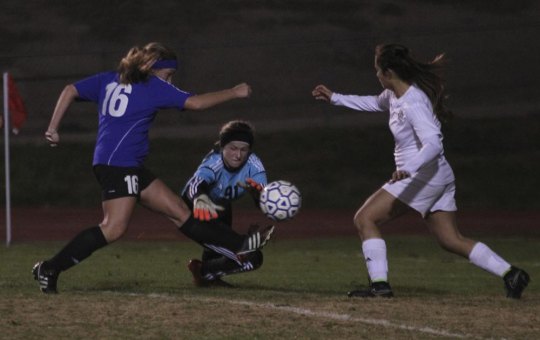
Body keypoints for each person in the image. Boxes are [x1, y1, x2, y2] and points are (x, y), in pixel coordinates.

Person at [32, 42, 274, 294]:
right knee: (113, 228)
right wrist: (234, 92)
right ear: (151, 68)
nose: (169, 82)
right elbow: (196, 103)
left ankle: (240, 244)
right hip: (119, 165)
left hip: (123, 164)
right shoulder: (152, 85)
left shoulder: (109, 79)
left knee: (180, 211)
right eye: (168, 75)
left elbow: (70, 89)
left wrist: (53, 127)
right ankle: (50, 268)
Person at [312, 43, 530, 299]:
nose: (376, 75)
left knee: (365, 219)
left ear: (389, 72)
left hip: (421, 175)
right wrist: (335, 97)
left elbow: (434, 143)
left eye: (377, 70)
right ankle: (512, 275)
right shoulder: (394, 95)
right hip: (437, 175)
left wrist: (408, 169)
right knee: (450, 239)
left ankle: (380, 287)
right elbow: (373, 102)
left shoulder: (413, 103)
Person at [179, 119, 272, 287]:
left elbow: (265, 204)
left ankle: (207, 275)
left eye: (244, 149)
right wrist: (199, 198)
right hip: (195, 210)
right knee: (251, 257)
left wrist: (259, 196)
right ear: (222, 147)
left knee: (226, 251)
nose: (238, 155)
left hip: (221, 207)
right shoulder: (214, 162)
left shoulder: (254, 166)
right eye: (233, 148)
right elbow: (193, 186)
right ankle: (204, 271)